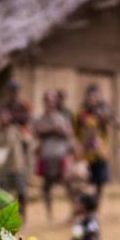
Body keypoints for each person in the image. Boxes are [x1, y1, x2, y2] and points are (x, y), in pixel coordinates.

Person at [0, 107, 30, 221]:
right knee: (5, 195)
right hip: (3, 169)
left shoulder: (16, 130)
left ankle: (23, 215)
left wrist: (26, 161)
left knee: (22, 192)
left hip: (18, 166)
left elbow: (26, 143)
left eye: (6, 116)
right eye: (1, 117)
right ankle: (10, 218)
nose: (4, 119)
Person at [34, 90, 75, 222]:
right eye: (47, 101)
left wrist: (57, 130)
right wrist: (53, 129)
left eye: (52, 101)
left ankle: (73, 211)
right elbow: (38, 130)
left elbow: (68, 133)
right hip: (47, 156)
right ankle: (49, 215)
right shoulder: (40, 118)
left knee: (68, 184)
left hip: (60, 155)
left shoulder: (62, 117)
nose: (50, 103)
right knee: (46, 187)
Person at [75, 85, 111, 200]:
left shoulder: (103, 114)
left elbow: (108, 130)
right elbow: (75, 133)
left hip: (100, 153)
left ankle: (96, 208)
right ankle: (88, 206)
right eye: (90, 96)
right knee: (87, 182)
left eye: (95, 96)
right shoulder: (80, 114)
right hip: (86, 154)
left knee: (100, 182)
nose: (92, 99)